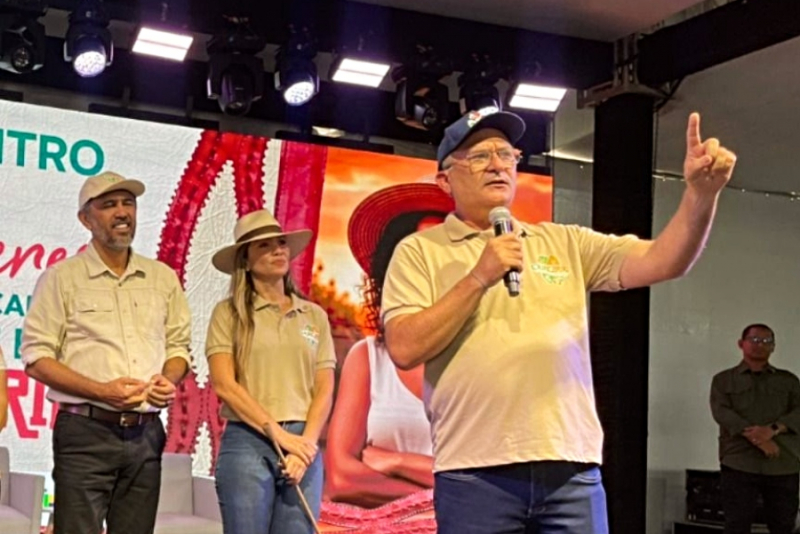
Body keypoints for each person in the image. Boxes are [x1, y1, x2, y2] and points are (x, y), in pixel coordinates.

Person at [381, 109, 737, 533]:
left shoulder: (564, 241)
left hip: (571, 471)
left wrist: (700, 196)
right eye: (478, 156)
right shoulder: (419, 251)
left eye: (506, 154)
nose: (497, 165)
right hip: (474, 472)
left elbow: (665, 260)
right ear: (445, 179)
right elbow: (404, 347)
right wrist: (479, 277)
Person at [21, 171, 192, 534]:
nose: (122, 212)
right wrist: (101, 391)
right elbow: (36, 358)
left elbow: (179, 347)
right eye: (109, 205)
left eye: (128, 203)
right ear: (86, 219)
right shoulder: (62, 277)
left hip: (146, 432)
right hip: (85, 431)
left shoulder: (162, 278)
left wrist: (168, 378)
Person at [205, 208, 336, 534]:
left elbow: (324, 387)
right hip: (248, 439)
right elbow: (224, 384)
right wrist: (279, 435)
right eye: (264, 246)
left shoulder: (314, 316)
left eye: (281, 243)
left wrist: (305, 447)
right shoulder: (228, 314)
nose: (278, 250)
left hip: (303, 441)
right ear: (246, 261)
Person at [324, 183, 453, 509]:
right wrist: (440, 490)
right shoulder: (369, 359)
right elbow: (342, 479)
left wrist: (398, 462)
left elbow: (492, 486)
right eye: (419, 251)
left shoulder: (483, 361)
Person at [710, 324, 800, 534]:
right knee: (736, 525)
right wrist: (759, 438)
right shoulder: (723, 380)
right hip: (739, 461)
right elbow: (722, 413)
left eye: (767, 341)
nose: (760, 345)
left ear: (774, 347)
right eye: (755, 340)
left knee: (783, 525)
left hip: (783, 463)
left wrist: (773, 430)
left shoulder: (788, 381)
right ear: (741, 344)